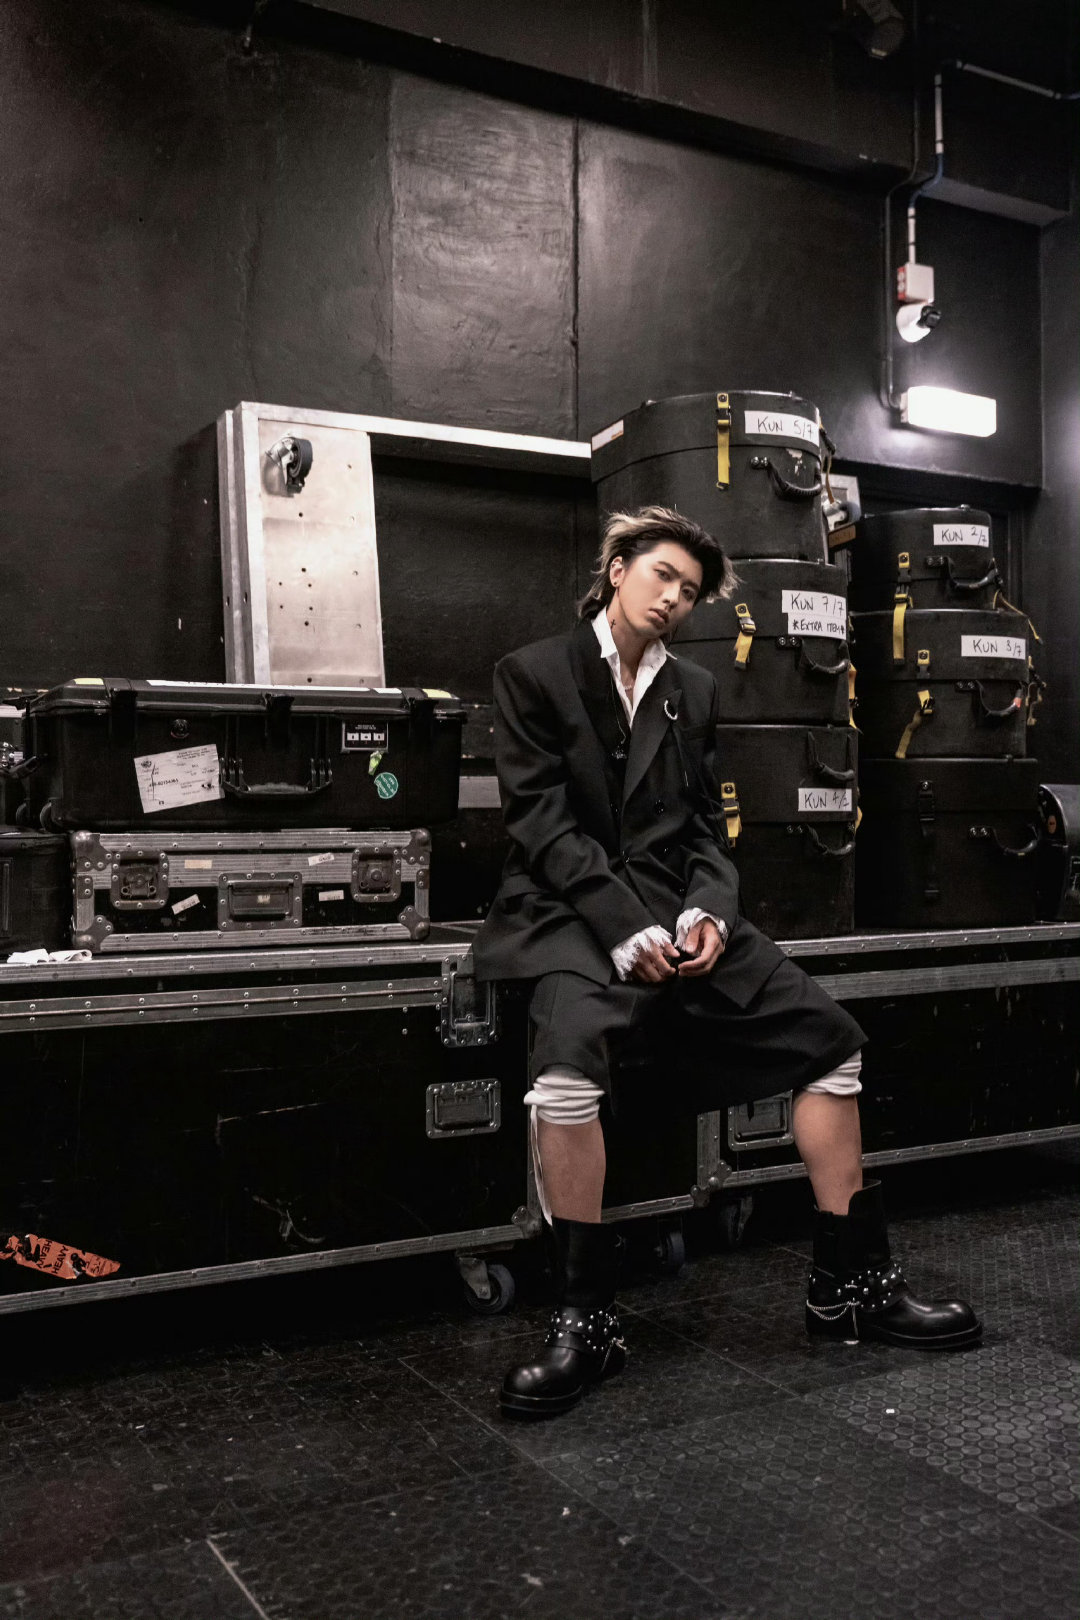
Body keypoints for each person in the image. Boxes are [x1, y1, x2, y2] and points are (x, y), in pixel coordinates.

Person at [474, 505, 981, 1420]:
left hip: (678, 908)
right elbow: (541, 826)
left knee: (832, 1044)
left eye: (690, 590)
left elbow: (708, 828)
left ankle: (851, 1286)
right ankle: (586, 1323)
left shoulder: (695, 691)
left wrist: (709, 910)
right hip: (568, 916)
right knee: (564, 1080)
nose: (674, 597)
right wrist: (623, 927)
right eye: (662, 574)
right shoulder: (534, 672)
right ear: (619, 568)